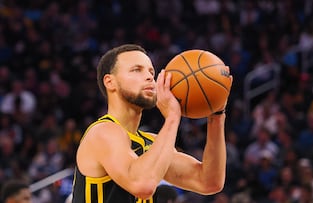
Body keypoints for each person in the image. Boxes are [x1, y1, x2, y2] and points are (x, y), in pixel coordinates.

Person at [71, 44, 232, 202]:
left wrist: (216, 116)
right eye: (136, 70)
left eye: (151, 72)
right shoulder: (102, 132)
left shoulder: (152, 143)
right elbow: (142, 184)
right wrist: (172, 117)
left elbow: (209, 182)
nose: (149, 77)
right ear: (110, 82)